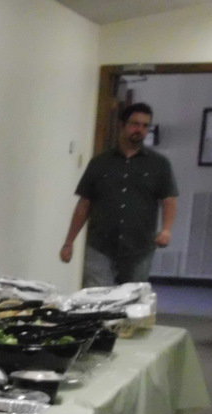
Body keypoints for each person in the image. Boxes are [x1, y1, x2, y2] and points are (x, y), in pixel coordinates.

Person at [59, 102, 178, 287]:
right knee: (96, 297)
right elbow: (84, 203)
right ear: (122, 125)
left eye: (145, 126)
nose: (140, 130)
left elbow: (169, 199)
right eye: (135, 124)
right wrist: (69, 242)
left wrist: (166, 230)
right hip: (100, 245)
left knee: (131, 298)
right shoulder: (100, 163)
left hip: (139, 247)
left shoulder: (159, 164)